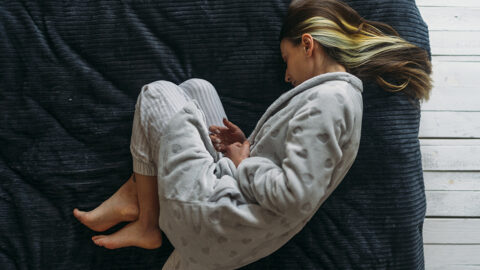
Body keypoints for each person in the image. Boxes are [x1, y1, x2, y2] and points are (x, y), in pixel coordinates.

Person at [73, 0, 432, 269]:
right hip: (233, 222)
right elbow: (295, 167)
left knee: (157, 94)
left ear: (308, 45)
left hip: (217, 216)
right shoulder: (337, 98)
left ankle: (147, 219)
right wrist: (243, 147)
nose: (287, 76)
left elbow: (293, 195)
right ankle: (139, 194)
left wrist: (244, 160)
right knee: (197, 90)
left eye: (286, 59)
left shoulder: (329, 102)